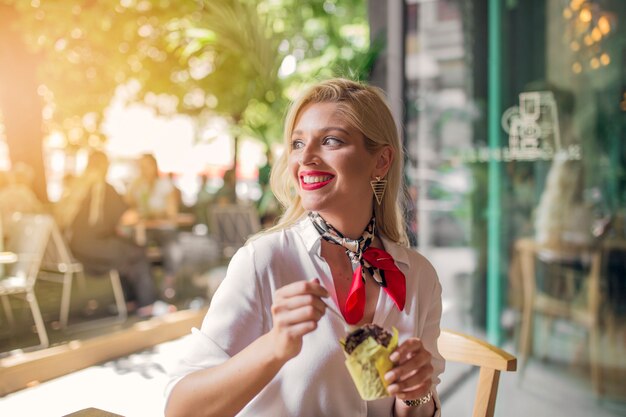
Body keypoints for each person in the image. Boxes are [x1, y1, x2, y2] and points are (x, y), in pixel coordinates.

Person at [165, 78, 444, 417]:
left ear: (381, 161)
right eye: (298, 143)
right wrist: (274, 346)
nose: (306, 158)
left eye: (330, 141)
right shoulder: (263, 261)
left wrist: (416, 395)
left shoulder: (420, 278)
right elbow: (180, 409)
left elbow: (416, 411)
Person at [57, 150, 170, 317]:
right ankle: (147, 304)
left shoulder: (77, 189)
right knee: (138, 252)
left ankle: (129, 301)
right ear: (106, 167)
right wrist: (142, 212)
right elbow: (128, 218)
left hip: (76, 249)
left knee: (126, 253)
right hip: (94, 249)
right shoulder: (103, 190)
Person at [126, 153, 181, 299]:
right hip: (144, 229)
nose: (144, 170)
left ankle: (168, 284)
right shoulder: (137, 185)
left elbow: (172, 212)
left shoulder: (164, 184)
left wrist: (156, 213)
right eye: (142, 166)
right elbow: (129, 207)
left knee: (172, 249)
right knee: (136, 248)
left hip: (163, 228)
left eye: (147, 166)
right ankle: (144, 291)